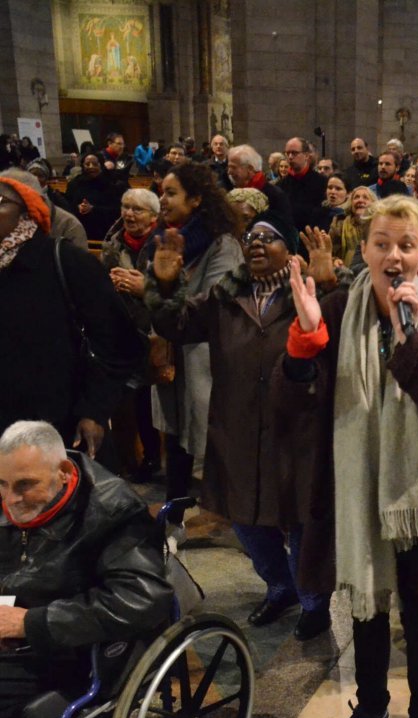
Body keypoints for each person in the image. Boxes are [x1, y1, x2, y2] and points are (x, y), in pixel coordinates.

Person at [283, 194, 418, 718]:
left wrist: (406, 336)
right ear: (363, 249)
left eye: (406, 245)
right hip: (355, 486)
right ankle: (371, 707)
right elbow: (295, 399)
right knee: (364, 608)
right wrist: (305, 339)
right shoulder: (338, 310)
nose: (394, 256)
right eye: (382, 244)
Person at [149, 211, 338, 640]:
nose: (255, 242)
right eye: (250, 236)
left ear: (289, 251)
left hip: (297, 429)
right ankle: (279, 586)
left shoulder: (305, 295)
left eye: (268, 237)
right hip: (237, 427)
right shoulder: (224, 296)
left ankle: (313, 600)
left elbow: (343, 334)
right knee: (247, 517)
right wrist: (164, 284)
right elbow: (174, 325)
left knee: (301, 519)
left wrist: (328, 285)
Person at [0, 421, 173, 718]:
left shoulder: (112, 509)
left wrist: (28, 623)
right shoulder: (11, 494)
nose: (10, 499)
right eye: (2, 484)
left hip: (73, 648)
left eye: (25, 485)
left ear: (64, 472)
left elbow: (140, 600)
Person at [0, 175, 142, 463]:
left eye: (1, 202)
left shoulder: (64, 260)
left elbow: (118, 341)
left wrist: (95, 409)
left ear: (27, 210)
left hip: (58, 423)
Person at [143, 162, 242, 506]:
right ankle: (177, 504)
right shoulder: (165, 239)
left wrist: (169, 287)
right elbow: (154, 292)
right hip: (171, 348)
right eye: (161, 193)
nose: (163, 200)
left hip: (204, 354)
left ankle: (223, 511)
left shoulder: (222, 245)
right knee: (174, 431)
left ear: (197, 199)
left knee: (208, 435)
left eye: (171, 193)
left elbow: (217, 301)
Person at [102, 187, 162, 480]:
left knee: (154, 399)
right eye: (125, 207)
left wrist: (144, 288)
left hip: (158, 330)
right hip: (126, 330)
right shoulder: (113, 245)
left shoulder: (166, 243)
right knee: (130, 398)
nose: (128, 213)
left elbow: (178, 289)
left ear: (153, 216)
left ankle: (156, 455)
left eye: (137, 209)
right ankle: (132, 459)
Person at [66, 152, 124, 240]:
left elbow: (117, 210)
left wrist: (93, 209)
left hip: (104, 230)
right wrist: (78, 207)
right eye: (87, 164)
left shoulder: (112, 184)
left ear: (101, 165)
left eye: (95, 164)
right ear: (82, 166)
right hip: (80, 230)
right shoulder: (75, 184)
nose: (91, 167)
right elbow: (67, 206)